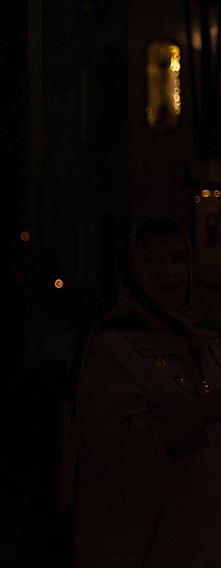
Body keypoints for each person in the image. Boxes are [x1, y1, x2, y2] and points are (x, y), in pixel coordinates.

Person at [67, 216, 221, 566]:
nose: (169, 271)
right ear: (131, 270)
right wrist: (203, 411)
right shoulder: (113, 347)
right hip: (146, 545)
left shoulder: (205, 341)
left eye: (178, 260)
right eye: (153, 260)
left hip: (205, 542)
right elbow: (117, 446)